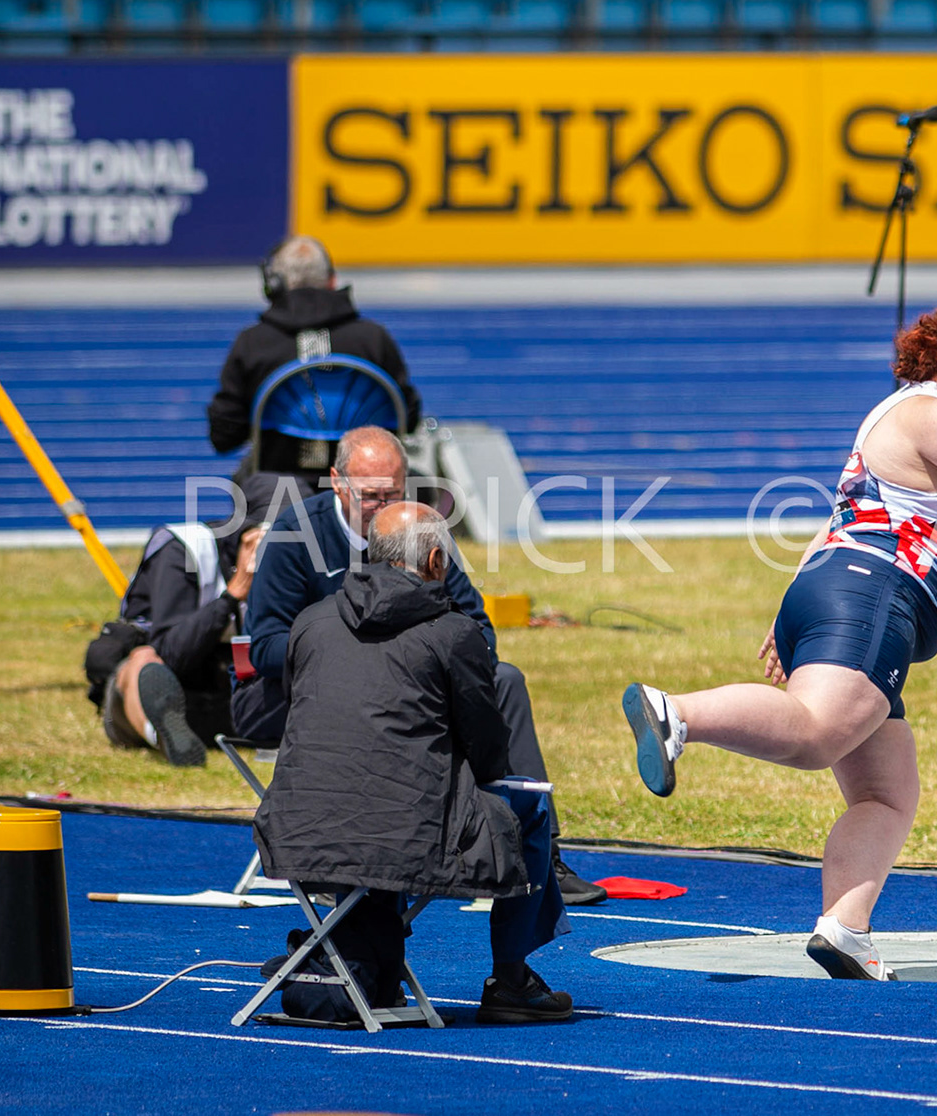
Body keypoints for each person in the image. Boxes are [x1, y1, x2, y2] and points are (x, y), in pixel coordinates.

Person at [620, 287, 937, 982]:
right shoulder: (933, 410)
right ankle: (678, 714)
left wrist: (790, 618)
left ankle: (845, 928)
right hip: (875, 592)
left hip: (840, 587)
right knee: (815, 737)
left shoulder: (911, 410)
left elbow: (842, 515)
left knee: (887, 792)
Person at [236, 425, 605, 905]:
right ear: (337, 482)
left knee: (506, 680)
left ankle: (537, 852)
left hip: (411, 683)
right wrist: (348, 652)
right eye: (370, 495)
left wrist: (424, 659)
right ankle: (343, 859)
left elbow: (479, 628)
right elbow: (264, 646)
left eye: (393, 492)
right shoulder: (292, 536)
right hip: (313, 691)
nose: (382, 505)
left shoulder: (420, 531)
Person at [254, 502, 572, 1024]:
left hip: (294, 830)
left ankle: (369, 961)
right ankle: (511, 979)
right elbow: (489, 752)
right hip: (401, 836)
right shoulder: (454, 632)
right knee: (527, 808)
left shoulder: (310, 622)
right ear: (435, 560)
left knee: (382, 797)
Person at [90, 473, 280, 768]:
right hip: (157, 686)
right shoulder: (185, 550)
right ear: (248, 533)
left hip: (231, 692)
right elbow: (171, 652)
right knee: (145, 661)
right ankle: (165, 737)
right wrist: (234, 593)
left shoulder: (295, 563)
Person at [206, 235, 422, 486]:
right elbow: (407, 418)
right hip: (364, 488)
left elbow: (224, 435)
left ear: (274, 284)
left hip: (280, 489)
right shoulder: (374, 339)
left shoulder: (253, 343)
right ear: (331, 280)